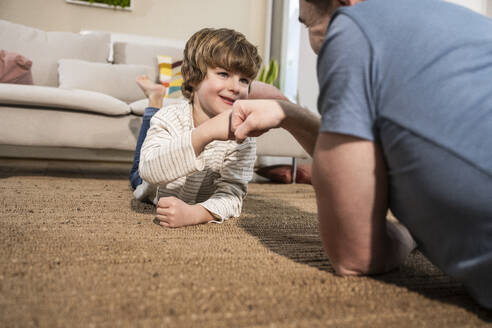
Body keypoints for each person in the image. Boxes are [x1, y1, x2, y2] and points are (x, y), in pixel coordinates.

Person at [231, 0, 492, 309]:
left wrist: (409, 236)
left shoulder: (353, 27)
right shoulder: (465, 22)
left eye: (305, 24)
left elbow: (353, 255)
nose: (311, 43)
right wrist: (290, 114)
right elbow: (370, 159)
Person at [130, 27, 261, 228]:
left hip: (188, 193)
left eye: (244, 80)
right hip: (148, 179)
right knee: (138, 166)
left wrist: (196, 213)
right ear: (192, 76)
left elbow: (233, 193)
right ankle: (155, 100)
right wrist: (205, 133)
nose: (236, 87)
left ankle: (155, 98)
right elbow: (149, 171)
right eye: (224, 74)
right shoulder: (169, 118)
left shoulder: (244, 137)